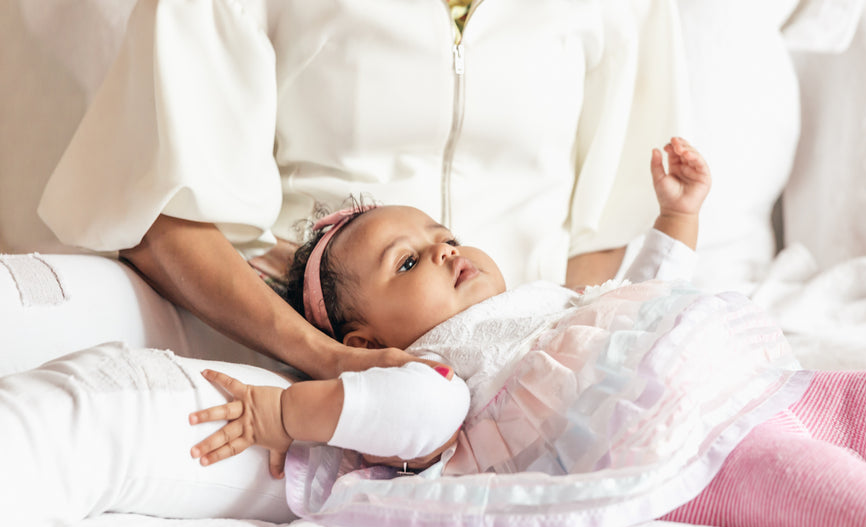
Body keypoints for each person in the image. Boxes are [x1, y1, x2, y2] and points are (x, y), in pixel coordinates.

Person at [184, 137, 866, 527]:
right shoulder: (426, 371)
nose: (443, 250)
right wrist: (281, 412)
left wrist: (676, 218)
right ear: (364, 339)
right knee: (804, 481)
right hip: (682, 452)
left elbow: (638, 302)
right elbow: (388, 414)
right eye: (408, 262)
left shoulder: (544, 306)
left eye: (443, 235)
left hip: (744, 380)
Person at [34, 0, 688, 381]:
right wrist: (329, 364)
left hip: (529, 368)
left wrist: (554, 370)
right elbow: (161, 216)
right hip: (290, 363)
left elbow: (604, 219)